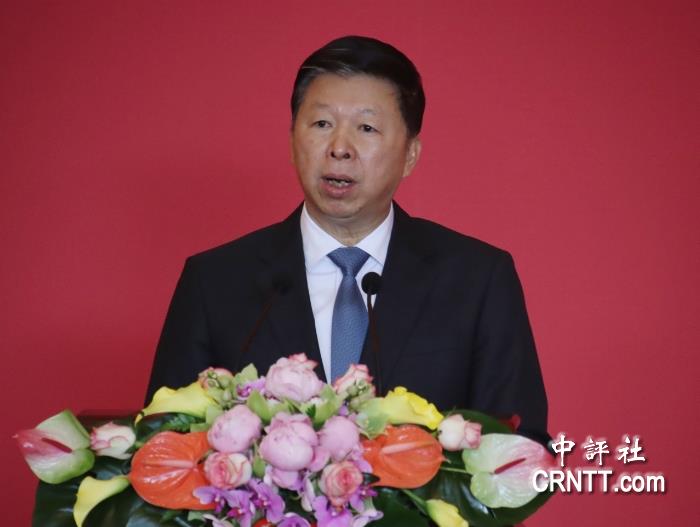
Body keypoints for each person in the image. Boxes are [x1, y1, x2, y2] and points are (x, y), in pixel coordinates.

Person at [146, 36, 548, 443]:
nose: (339, 148)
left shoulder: (477, 280)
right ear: (292, 140)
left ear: (410, 155)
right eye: (322, 124)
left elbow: (520, 447)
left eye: (367, 128)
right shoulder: (214, 282)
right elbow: (162, 446)